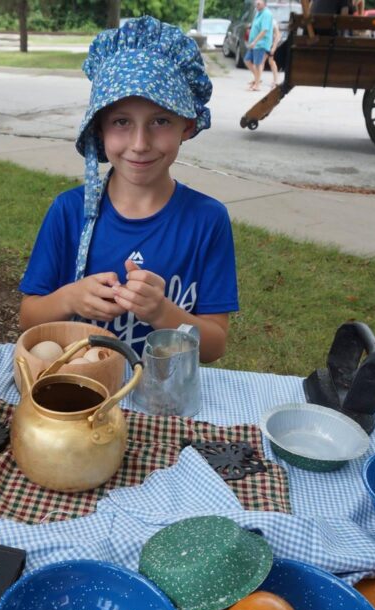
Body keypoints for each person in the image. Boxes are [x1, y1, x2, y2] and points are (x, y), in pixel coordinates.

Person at [18, 17, 238, 363]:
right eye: (122, 122)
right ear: (99, 129)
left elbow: (213, 346)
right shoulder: (68, 212)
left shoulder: (207, 221)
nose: (139, 144)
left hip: (163, 400)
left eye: (160, 120)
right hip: (81, 392)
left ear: (188, 126)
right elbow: (28, 318)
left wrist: (162, 312)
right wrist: (69, 299)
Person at [243, 0, 275, 91]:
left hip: (261, 43)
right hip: (254, 44)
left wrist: (255, 42)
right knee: (247, 60)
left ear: (264, 4)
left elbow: (264, 30)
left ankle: (257, 85)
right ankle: (257, 79)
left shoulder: (266, 14)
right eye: (256, 3)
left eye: (259, 3)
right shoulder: (258, 13)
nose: (256, 5)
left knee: (258, 64)